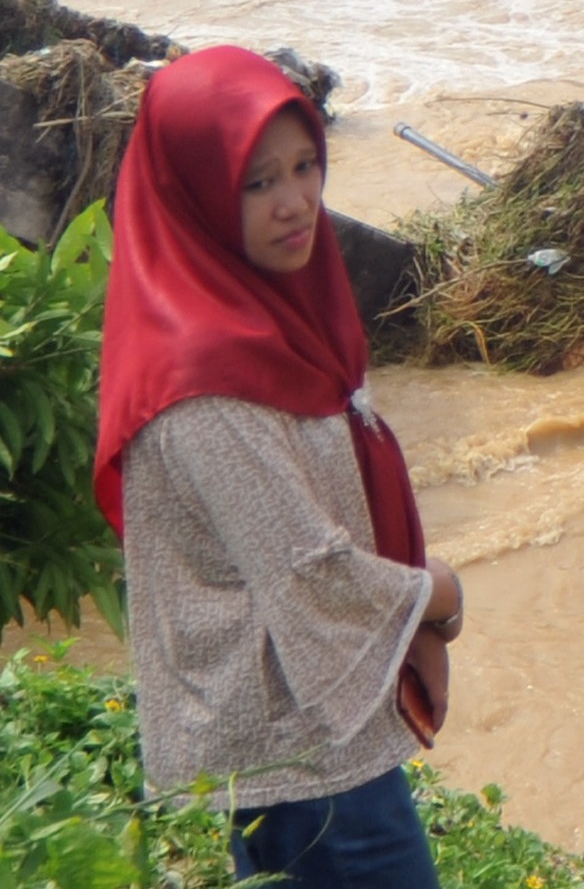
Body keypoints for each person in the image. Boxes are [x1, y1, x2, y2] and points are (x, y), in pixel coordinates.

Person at [95, 47, 462, 889]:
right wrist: (439, 595)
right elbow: (313, 574)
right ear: (195, 196)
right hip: (294, 756)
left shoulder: (270, 318)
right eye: (257, 183)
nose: (296, 203)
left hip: (320, 718)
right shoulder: (203, 388)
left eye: (305, 167)